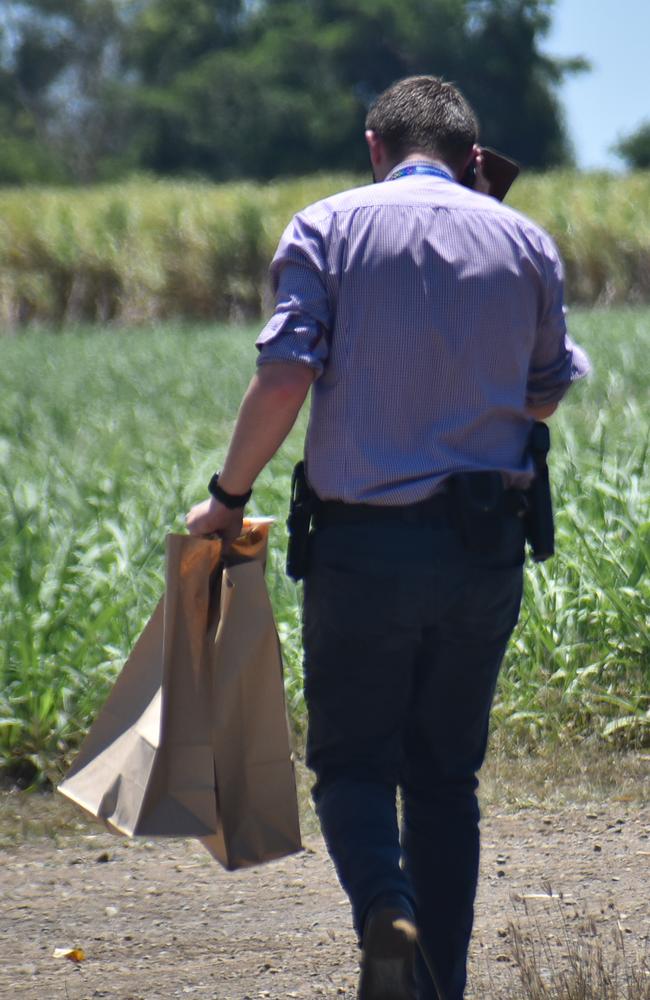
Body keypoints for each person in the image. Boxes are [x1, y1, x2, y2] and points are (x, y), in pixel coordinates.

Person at [186, 75, 590, 1000]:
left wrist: (227, 494)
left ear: (376, 144)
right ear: (473, 157)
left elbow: (286, 374)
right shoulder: (526, 241)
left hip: (364, 549)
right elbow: (545, 387)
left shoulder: (326, 227)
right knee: (446, 779)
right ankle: (436, 986)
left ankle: (383, 907)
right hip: (485, 548)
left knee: (354, 763)